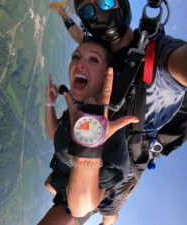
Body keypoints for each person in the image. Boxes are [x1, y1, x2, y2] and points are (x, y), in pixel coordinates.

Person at [45, 0, 187, 224]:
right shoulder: (97, 50)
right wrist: (63, 15)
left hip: (122, 166)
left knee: (108, 211)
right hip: (92, 148)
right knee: (54, 190)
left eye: (105, 2)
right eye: (87, 10)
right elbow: (81, 37)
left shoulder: (160, 58)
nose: (97, 13)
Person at [39, 37, 139, 225]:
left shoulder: (109, 139)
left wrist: (89, 145)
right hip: (68, 172)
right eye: (76, 57)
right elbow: (55, 134)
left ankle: (109, 220)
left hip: (94, 193)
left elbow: (80, 207)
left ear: (104, 76)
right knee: (48, 185)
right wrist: (49, 104)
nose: (80, 64)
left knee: (107, 212)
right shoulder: (75, 110)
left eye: (93, 60)